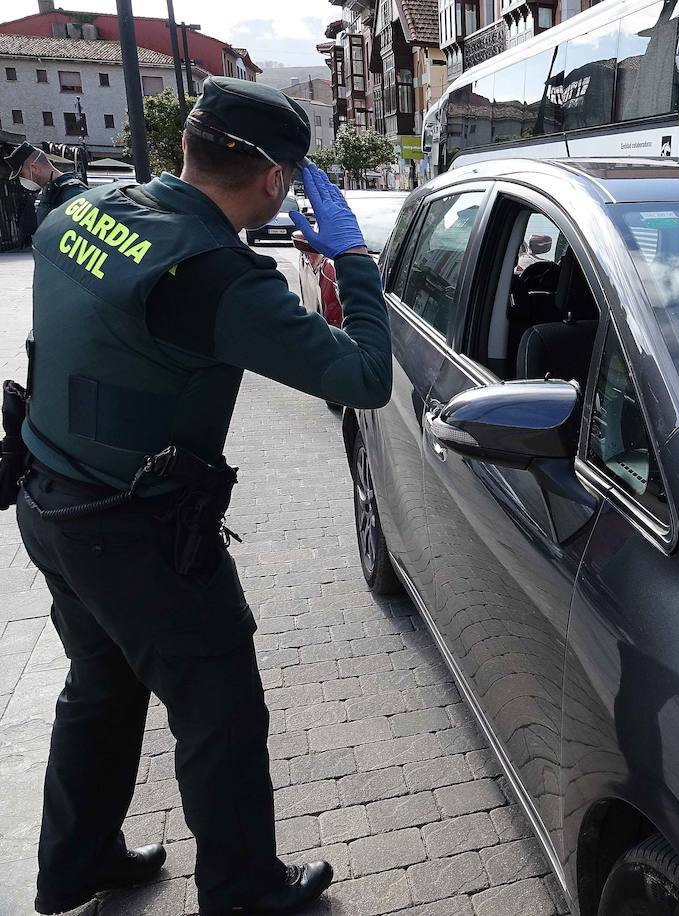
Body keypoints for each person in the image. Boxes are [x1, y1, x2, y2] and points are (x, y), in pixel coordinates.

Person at [12, 77, 391, 915]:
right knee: (219, 705)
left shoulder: (81, 212)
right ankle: (244, 891)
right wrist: (353, 262)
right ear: (273, 182)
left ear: (189, 146)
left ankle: (75, 863)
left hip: (50, 502)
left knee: (101, 684)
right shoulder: (215, 276)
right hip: (133, 534)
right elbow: (365, 378)